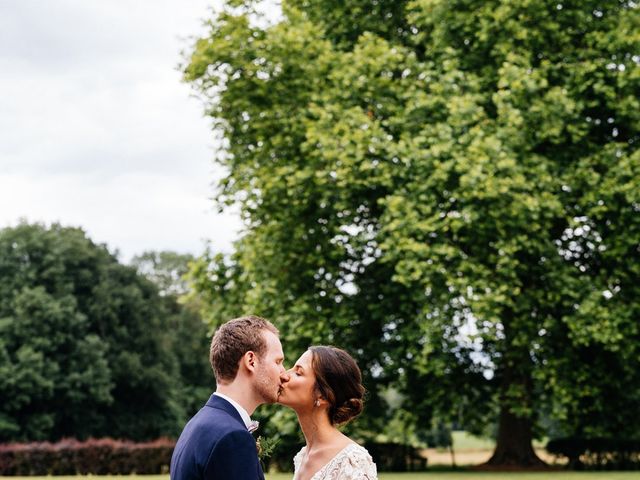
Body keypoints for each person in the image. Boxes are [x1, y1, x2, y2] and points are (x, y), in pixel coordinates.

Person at [170, 315, 289, 480]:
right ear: (251, 361)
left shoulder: (198, 424)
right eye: (278, 362)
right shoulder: (232, 437)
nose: (284, 374)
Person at [278, 345, 377, 480]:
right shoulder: (302, 457)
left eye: (298, 373)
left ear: (323, 396)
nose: (284, 375)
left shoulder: (352, 461)